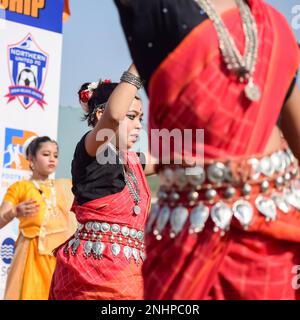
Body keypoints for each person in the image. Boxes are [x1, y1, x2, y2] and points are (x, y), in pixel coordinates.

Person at [114, 0, 300, 299]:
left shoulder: (273, 28)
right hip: (189, 249)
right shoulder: (158, 8)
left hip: (276, 247)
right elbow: (113, 117)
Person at [49, 64, 151, 300]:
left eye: (141, 119)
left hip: (129, 279)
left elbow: (175, 162)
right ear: (99, 116)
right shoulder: (92, 147)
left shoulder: (132, 161)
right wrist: (139, 61)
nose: (138, 125)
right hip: (89, 279)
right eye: (132, 116)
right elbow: (114, 115)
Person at [0, 136, 77, 300]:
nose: (52, 159)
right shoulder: (20, 188)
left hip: (58, 258)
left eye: (55, 156)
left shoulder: (64, 187)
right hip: (30, 257)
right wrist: (14, 211)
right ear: (31, 159)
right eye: (46, 154)